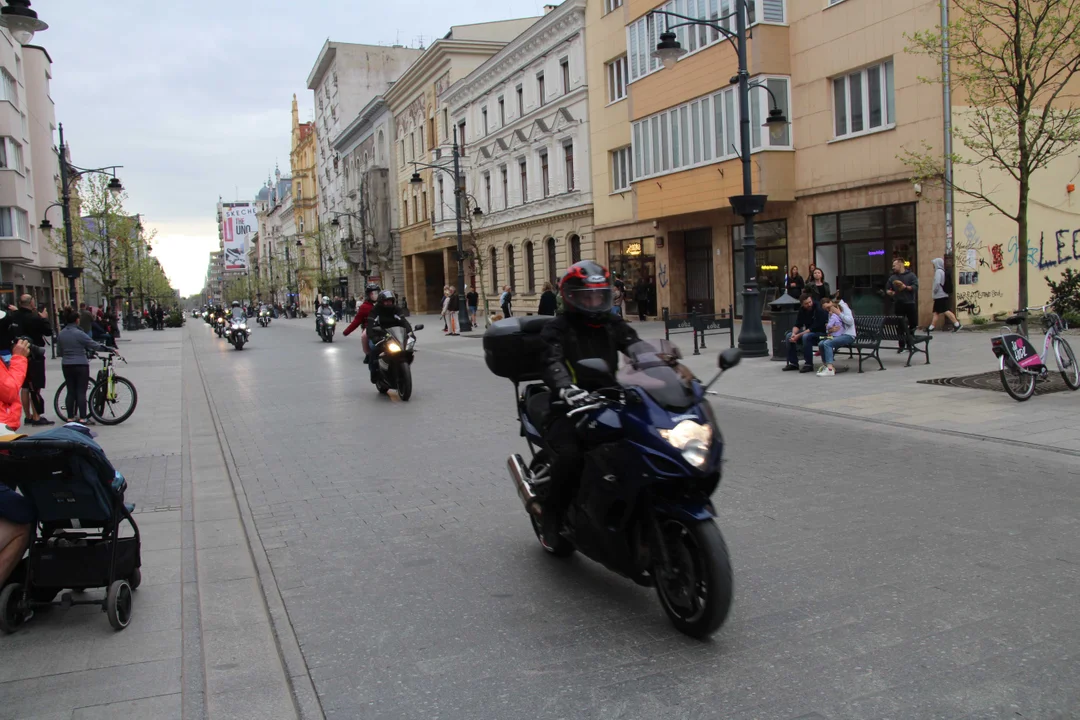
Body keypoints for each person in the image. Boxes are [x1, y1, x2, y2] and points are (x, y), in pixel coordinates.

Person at [537, 261, 640, 544]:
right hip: (569, 405)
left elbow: (635, 345)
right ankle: (552, 517)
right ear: (572, 297)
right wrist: (565, 388)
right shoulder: (557, 328)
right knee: (571, 457)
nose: (594, 302)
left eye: (599, 295)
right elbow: (551, 361)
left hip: (609, 399)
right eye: (587, 296)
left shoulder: (613, 323)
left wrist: (664, 367)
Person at [57, 308, 111, 424]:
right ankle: (83, 417)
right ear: (77, 320)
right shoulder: (79, 333)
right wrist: (106, 348)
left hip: (66, 364)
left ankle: (70, 417)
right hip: (81, 364)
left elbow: (59, 352)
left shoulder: (61, 333)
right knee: (81, 391)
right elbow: (93, 345)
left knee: (70, 391)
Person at [6, 295, 53, 426]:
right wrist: (44, 319)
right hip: (34, 354)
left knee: (25, 386)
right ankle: (37, 416)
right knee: (35, 386)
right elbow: (48, 332)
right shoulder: (34, 318)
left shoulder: (14, 316)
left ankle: (27, 416)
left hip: (19, 353)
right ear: (31, 302)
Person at [365, 290, 414, 382]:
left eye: (390, 301)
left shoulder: (397, 310)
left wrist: (410, 333)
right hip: (380, 335)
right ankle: (374, 372)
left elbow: (404, 322)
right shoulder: (375, 310)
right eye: (386, 301)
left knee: (407, 350)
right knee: (374, 350)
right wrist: (374, 337)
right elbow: (370, 325)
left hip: (395, 335)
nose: (388, 303)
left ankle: (403, 369)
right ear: (381, 302)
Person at [782, 293, 828, 373]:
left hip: (821, 334)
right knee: (789, 336)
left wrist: (799, 335)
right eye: (806, 303)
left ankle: (808, 364)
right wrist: (793, 334)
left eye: (810, 302)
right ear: (802, 304)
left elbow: (814, 328)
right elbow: (797, 325)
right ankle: (793, 363)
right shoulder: (802, 310)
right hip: (809, 333)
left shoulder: (818, 308)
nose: (809, 304)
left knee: (806, 336)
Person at [816, 298, 856, 377]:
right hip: (836, 335)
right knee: (821, 343)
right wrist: (831, 330)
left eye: (828, 307)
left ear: (831, 302)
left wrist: (839, 313)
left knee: (827, 343)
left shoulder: (843, 307)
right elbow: (829, 327)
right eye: (826, 309)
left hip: (848, 335)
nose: (828, 310)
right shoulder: (830, 312)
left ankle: (830, 369)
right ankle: (826, 366)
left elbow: (851, 321)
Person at [886, 257, 919, 352]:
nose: (893, 267)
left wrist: (905, 287)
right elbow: (888, 289)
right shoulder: (892, 277)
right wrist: (890, 292)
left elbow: (915, 287)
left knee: (913, 323)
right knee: (900, 325)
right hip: (898, 303)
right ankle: (901, 345)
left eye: (894, 265)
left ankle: (910, 342)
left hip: (910, 303)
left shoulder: (911, 275)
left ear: (900, 264)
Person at [929, 258, 961, 332]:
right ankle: (931, 327)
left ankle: (957, 324)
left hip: (940, 295)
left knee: (945, 310)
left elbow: (937, 283)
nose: (933, 266)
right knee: (936, 311)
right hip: (942, 294)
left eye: (934, 264)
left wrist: (934, 291)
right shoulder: (942, 271)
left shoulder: (938, 272)